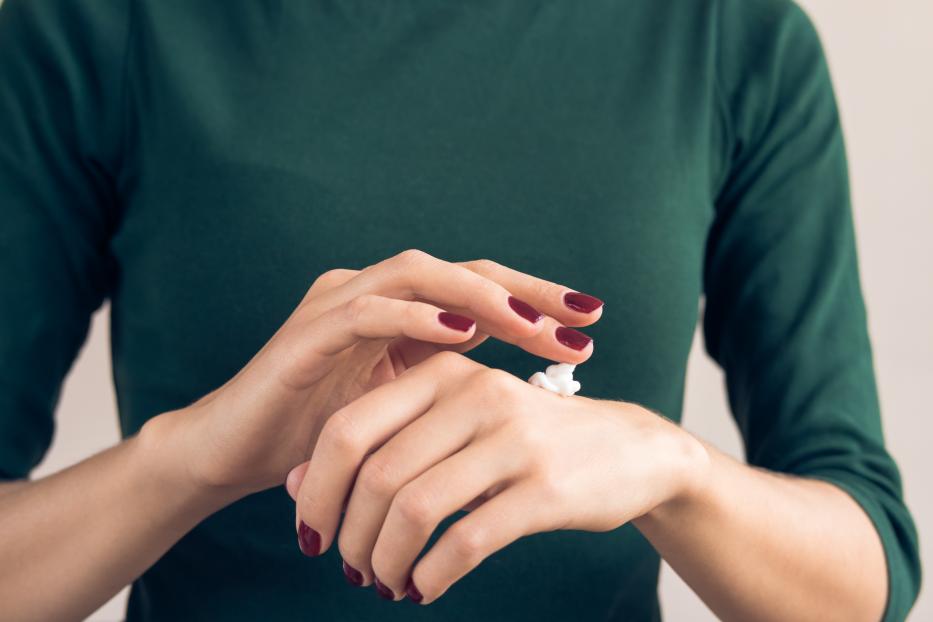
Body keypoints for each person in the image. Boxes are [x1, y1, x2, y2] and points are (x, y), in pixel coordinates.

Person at [0, 0, 921, 620]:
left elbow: (864, 574)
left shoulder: (729, 33)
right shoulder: (92, 27)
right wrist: (193, 458)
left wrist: (667, 467)